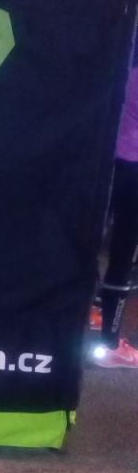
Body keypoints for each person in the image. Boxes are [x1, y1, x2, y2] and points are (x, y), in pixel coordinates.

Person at [93, 64, 138, 368]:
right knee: (123, 255)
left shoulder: (127, 66)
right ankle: (109, 345)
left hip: (109, 162)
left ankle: (96, 311)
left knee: (92, 244)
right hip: (133, 170)